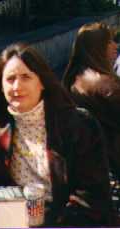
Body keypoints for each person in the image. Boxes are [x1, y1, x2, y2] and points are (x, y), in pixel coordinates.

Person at [0, 43, 110, 226]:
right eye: (10, 79)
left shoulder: (79, 125)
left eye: (26, 77)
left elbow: (92, 198)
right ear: (1, 85)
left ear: (42, 82)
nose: (17, 86)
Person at [63, 22, 120, 178]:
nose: (115, 46)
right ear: (96, 47)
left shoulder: (74, 75)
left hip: (94, 155)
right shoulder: (105, 85)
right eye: (109, 42)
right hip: (112, 156)